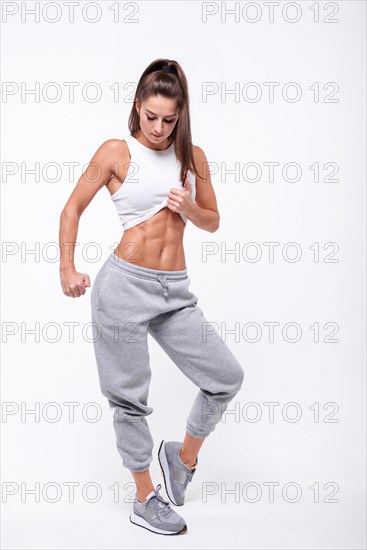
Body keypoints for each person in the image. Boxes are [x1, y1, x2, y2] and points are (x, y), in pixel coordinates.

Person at [59, 58, 245, 536]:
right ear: (137, 107)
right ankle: (145, 496)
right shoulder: (116, 152)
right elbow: (72, 208)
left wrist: (190, 207)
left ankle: (181, 459)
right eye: (151, 117)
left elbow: (213, 221)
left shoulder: (192, 157)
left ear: (181, 115)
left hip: (175, 291)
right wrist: (67, 267)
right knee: (129, 397)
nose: (159, 128)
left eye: (169, 119)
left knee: (225, 377)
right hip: (123, 286)